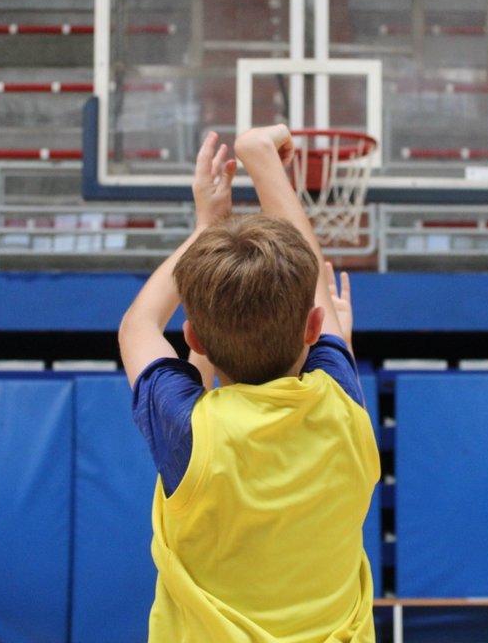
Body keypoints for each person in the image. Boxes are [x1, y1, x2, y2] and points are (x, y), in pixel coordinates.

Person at [119, 125, 380, 642]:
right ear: (314, 326)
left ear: (195, 337)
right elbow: (318, 294)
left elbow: (138, 326)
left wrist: (205, 225)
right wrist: (263, 161)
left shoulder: (191, 434)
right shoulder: (341, 403)